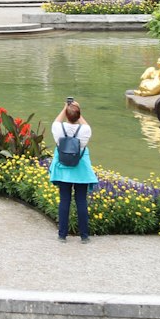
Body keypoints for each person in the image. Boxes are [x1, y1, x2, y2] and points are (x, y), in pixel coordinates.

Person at [49, 100, 98, 242]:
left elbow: (57, 121)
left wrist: (65, 108)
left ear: (66, 114)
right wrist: (77, 109)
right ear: (79, 115)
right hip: (80, 171)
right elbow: (86, 124)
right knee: (81, 201)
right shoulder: (85, 131)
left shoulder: (58, 128)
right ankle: (84, 236)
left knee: (64, 201)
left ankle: (62, 235)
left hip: (63, 170)